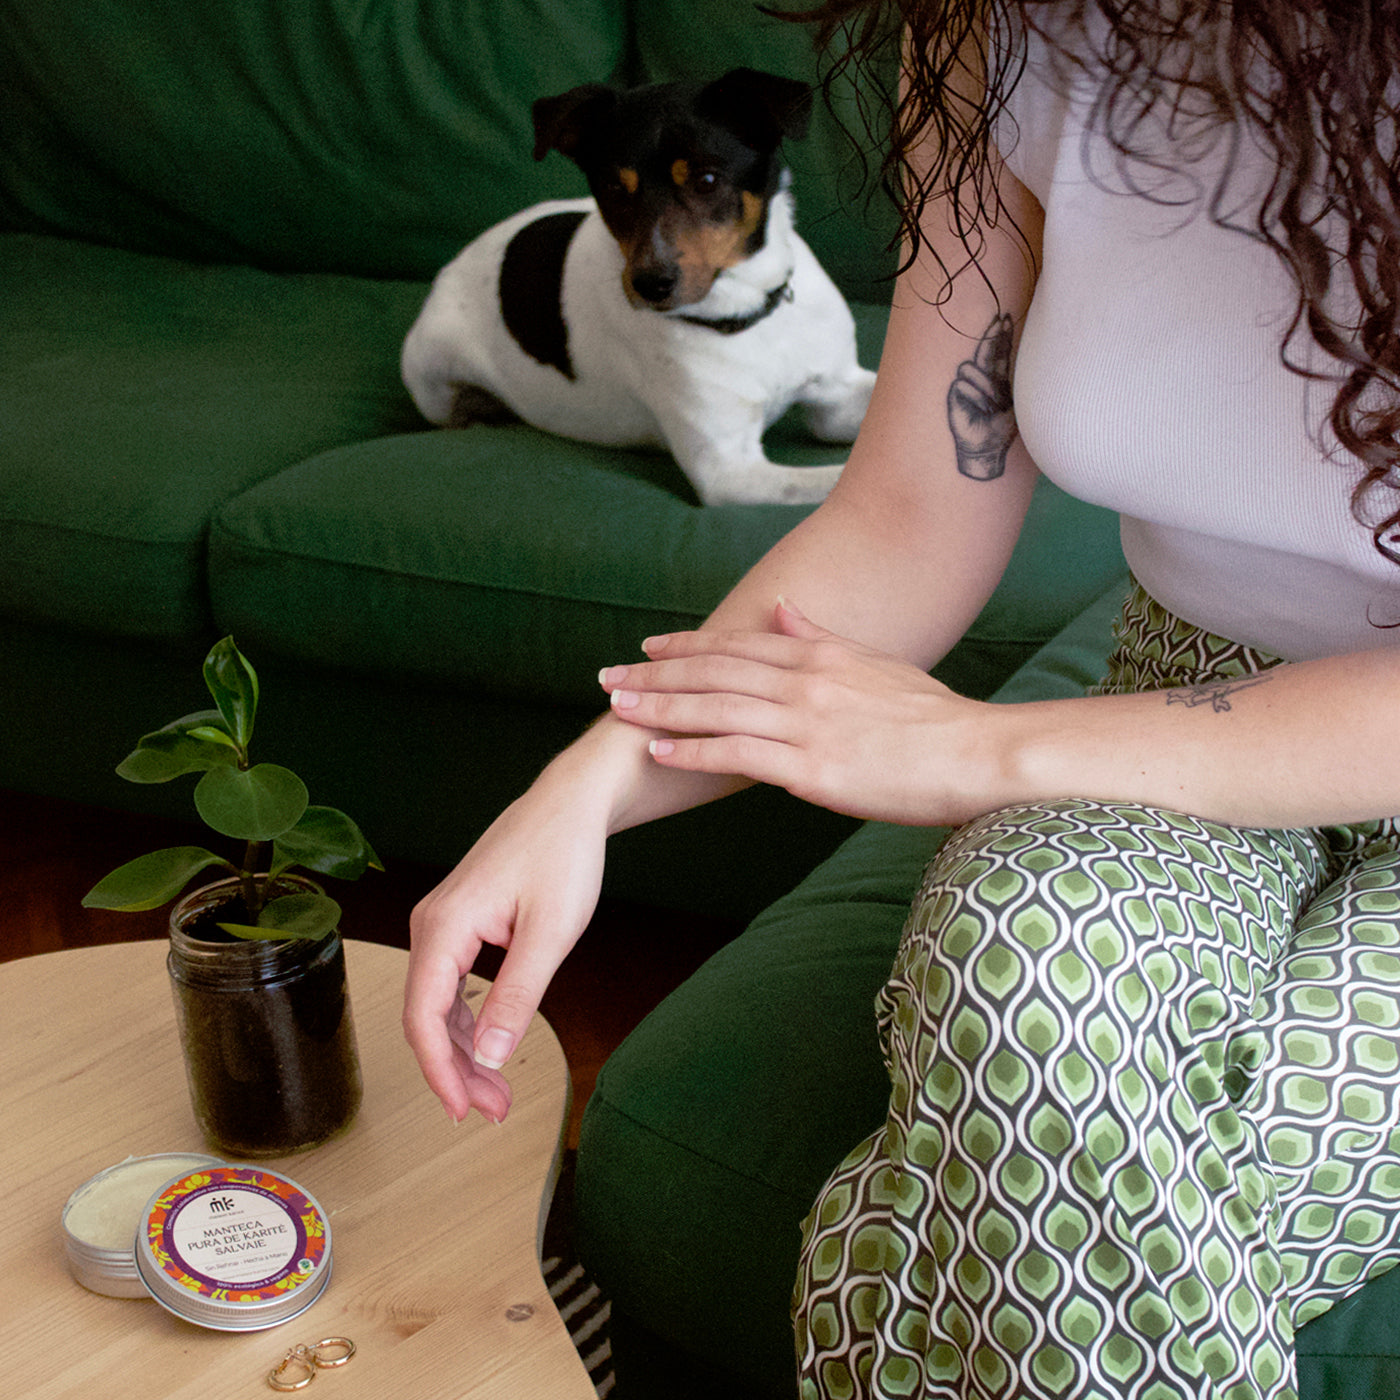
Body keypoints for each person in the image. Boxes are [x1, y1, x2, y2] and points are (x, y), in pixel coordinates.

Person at [404, 1, 1400, 1395]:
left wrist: (981, 747)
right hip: (1196, 674)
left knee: (972, 1223)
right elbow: (911, 512)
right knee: (1021, 979)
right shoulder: (1009, 35)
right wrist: (588, 783)